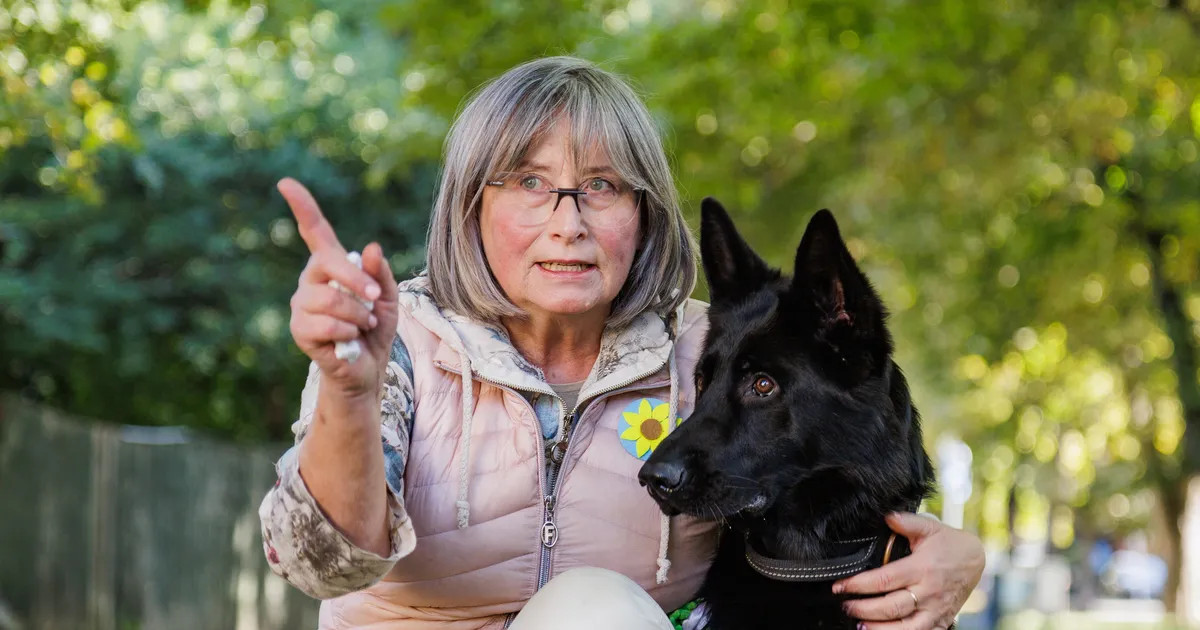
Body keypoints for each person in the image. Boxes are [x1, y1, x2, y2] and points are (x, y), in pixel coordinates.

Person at [258, 55, 985, 630]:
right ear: (471, 205)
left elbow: (836, 479)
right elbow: (322, 565)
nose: (568, 222)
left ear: (644, 211)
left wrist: (953, 554)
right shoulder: (391, 345)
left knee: (594, 610)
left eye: (602, 186)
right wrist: (349, 391)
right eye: (530, 181)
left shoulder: (708, 352)